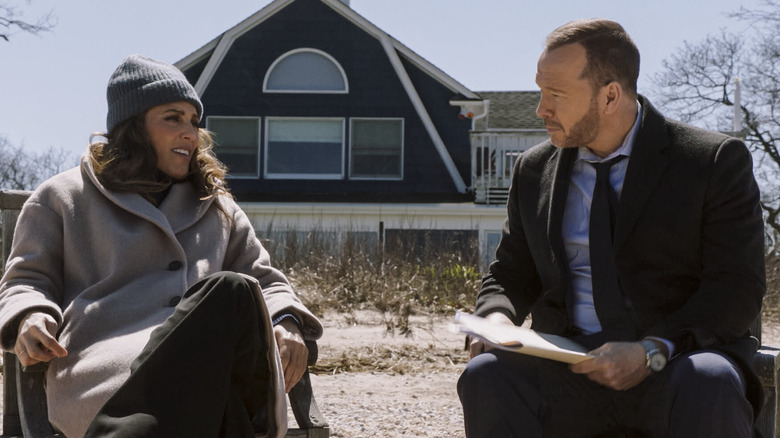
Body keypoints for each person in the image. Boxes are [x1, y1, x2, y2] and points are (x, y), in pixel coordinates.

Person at [457, 19, 766, 438]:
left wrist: (651, 351)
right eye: (540, 91)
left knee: (710, 379)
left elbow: (736, 289)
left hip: (673, 365)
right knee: (487, 374)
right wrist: (495, 318)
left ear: (610, 96)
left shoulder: (711, 162)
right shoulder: (533, 170)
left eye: (555, 95)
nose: (541, 109)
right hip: (568, 370)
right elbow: (511, 272)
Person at [0, 54, 323, 438]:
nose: (190, 134)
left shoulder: (218, 208)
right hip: (109, 379)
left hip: (207, 383)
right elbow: (26, 279)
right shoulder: (62, 196)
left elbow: (265, 281)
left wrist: (285, 321)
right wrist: (31, 316)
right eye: (173, 118)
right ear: (132, 127)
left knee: (233, 290)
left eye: (193, 121)